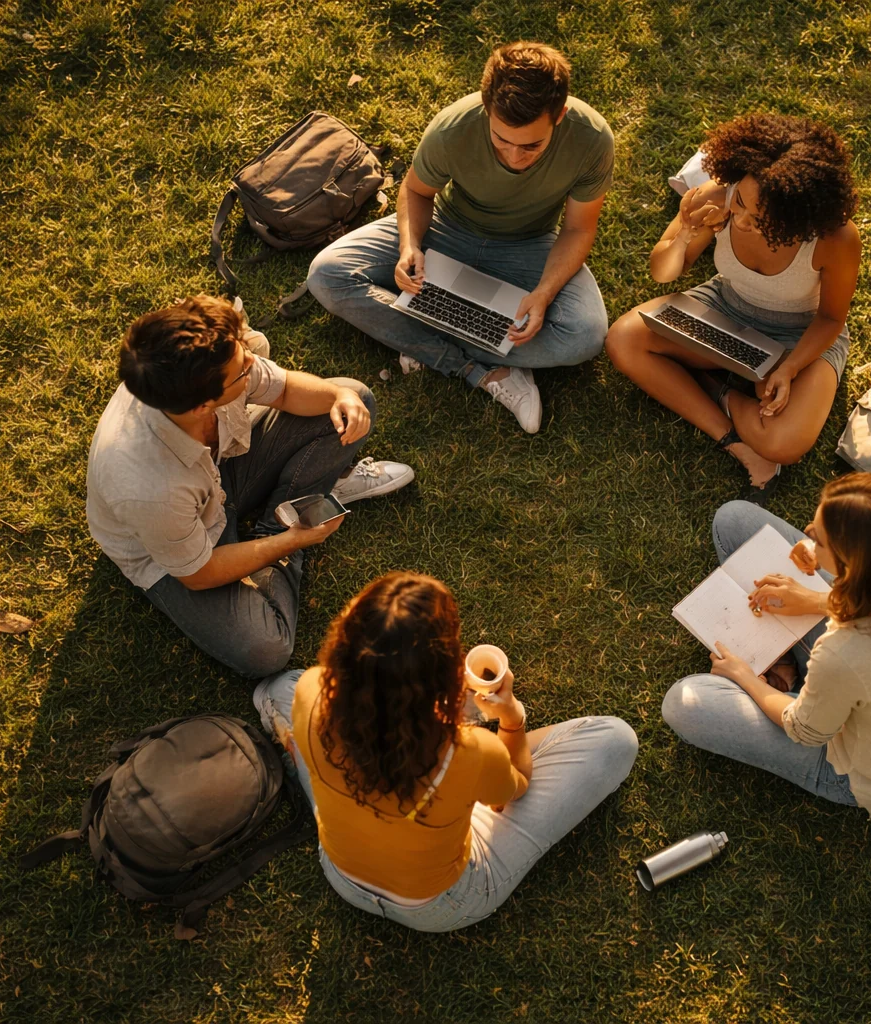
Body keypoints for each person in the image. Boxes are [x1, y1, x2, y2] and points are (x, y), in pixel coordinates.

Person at [253, 571, 638, 932]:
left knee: (280, 688)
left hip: (342, 873)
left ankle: (289, 740)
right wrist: (511, 717)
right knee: (615, 739)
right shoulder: (468, 751)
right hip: (440, 903)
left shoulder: (312, 691)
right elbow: (513, 791)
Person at [86, 295, 415, 678]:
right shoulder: (148, 486)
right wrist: (290, 542)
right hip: (176, 551)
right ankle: (286, 526)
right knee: (266, 648)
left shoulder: (198, 373)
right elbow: (199, 573)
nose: (253, 361)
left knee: (352, 402)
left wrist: (339, 396)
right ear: (201, 406)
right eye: (242, 370)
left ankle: (287, 518)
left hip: (218, 472)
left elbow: (284, 390)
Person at [306, 41, 614, 434]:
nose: (514, 157)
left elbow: (577, 228)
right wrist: (410, 245)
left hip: (530, 243)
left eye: (531, 145)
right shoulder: (454, 126)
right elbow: (416, 191)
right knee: (327, 275)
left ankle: (412, 331)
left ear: (561, 115)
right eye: (502, 139)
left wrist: (545, 293)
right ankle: (476, 367)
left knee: (585, 336)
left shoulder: (591, 139)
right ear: (487, 110)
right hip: (447, 227)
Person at [662, 474, 871, 816]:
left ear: (853, 563)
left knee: (681, 704)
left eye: (819, 539)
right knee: (733, 519)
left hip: (858, 770)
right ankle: (793, 676)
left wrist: (744, 676)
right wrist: (811, 596)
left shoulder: (843, 653)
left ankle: (788, 681)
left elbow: (804, 730)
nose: (807, 531)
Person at [605, 115, 861, 497]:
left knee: (783, 444)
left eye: (762, 221)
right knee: (624, 338)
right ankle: (730, 438)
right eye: (740, 202)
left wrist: (789, 369)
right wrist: (687, 233)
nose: (741, 221)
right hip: (725, 307)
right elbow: (663, 273)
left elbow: (830, 318)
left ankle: (710, 385)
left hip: (800, 334)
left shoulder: (835, 239)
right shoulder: (714, 196)